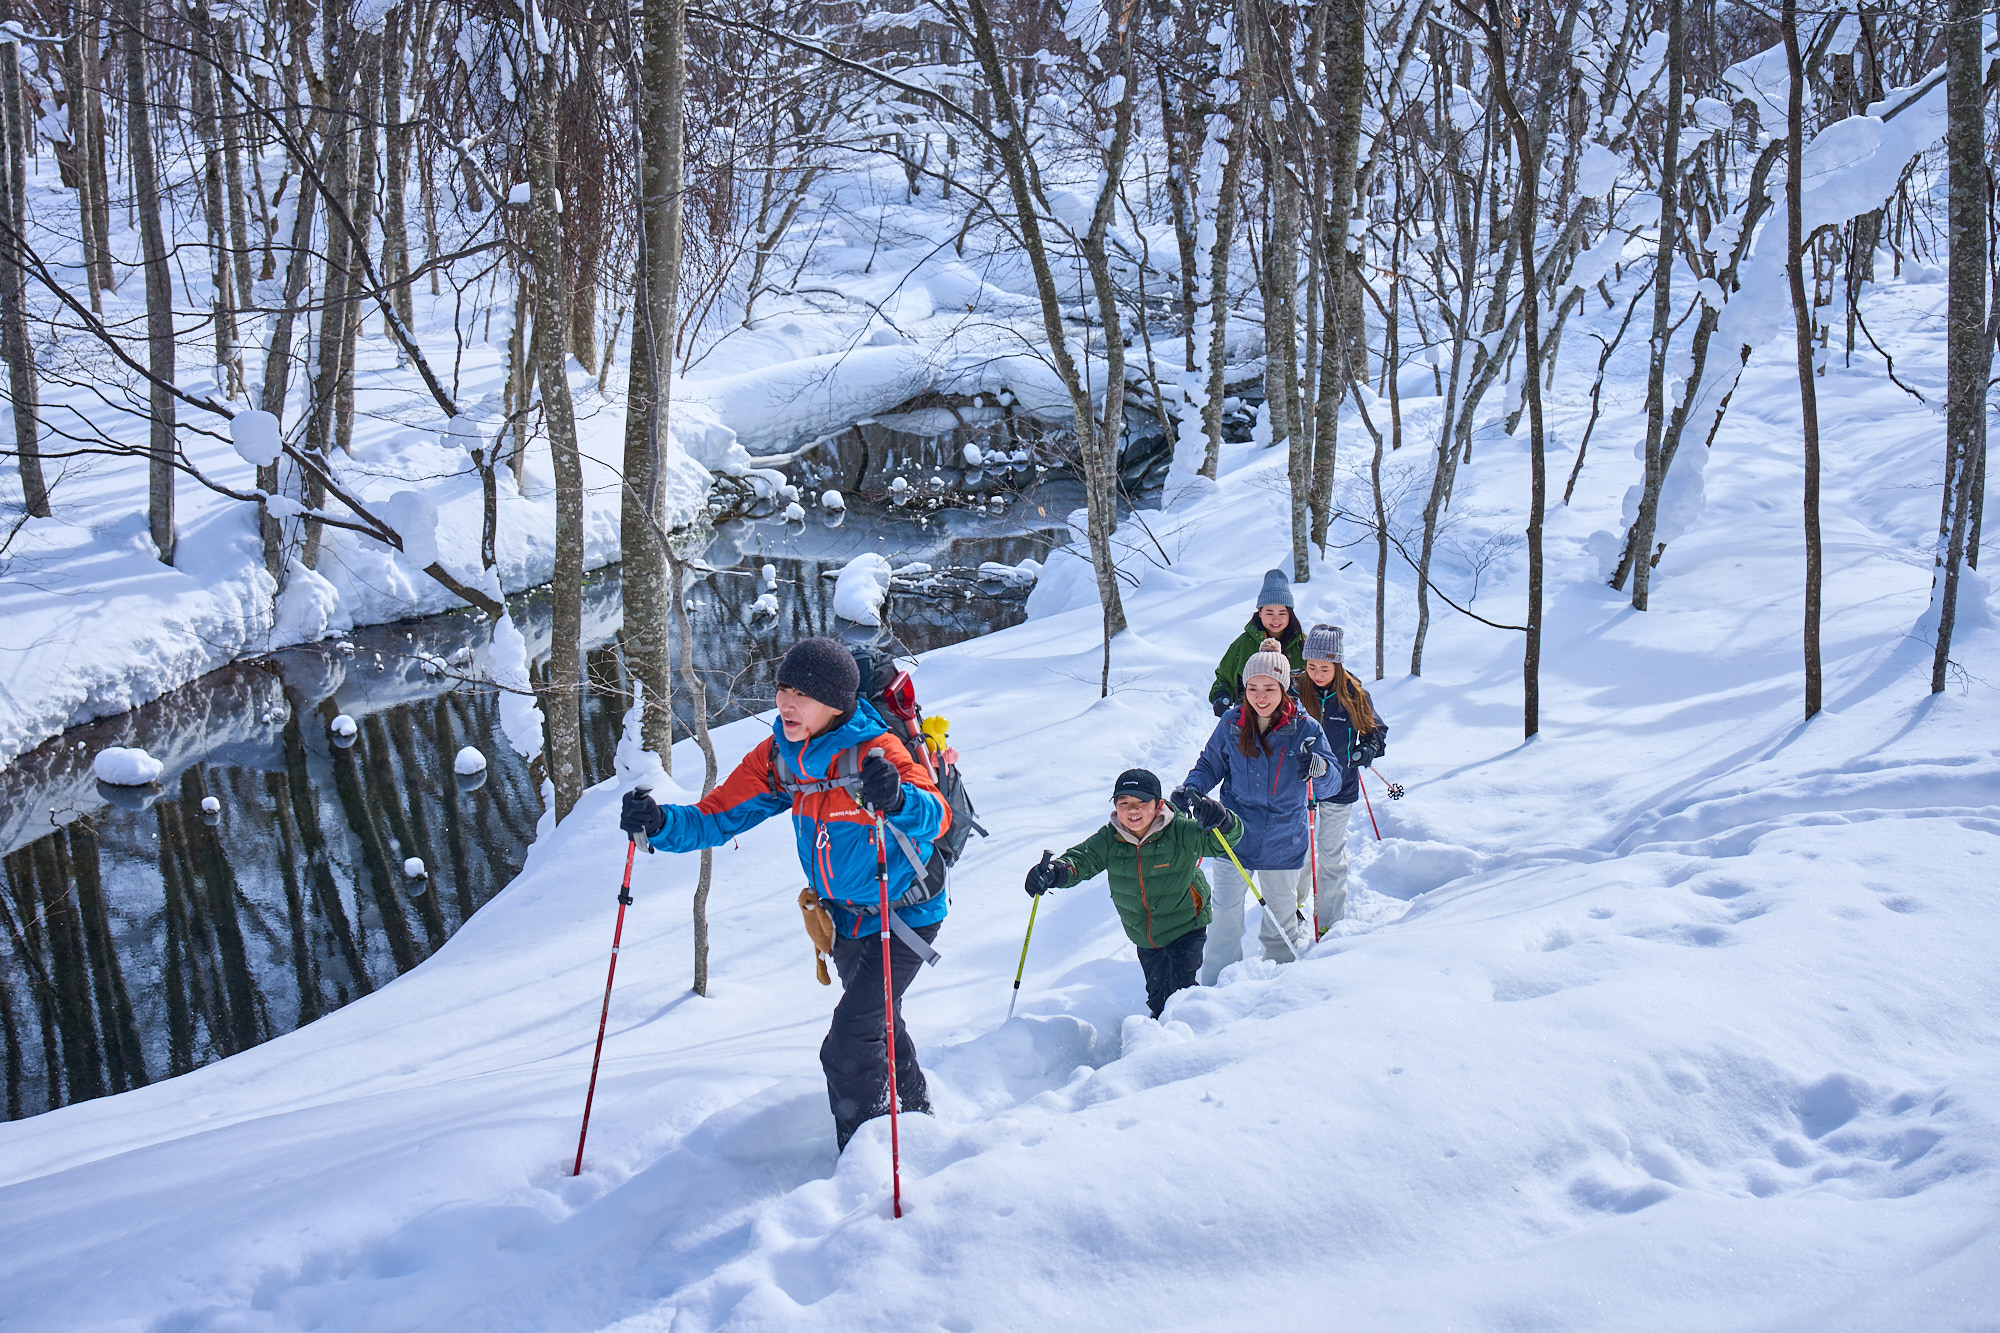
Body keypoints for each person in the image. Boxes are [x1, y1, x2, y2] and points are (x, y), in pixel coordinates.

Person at [619, 637, 951, 1151]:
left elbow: (936, 817)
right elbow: (716, 817)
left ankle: (869, 1157)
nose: (786, 704)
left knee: (849, 1043)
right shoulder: (779, 757)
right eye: (783, 689)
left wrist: (897, 797)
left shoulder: (875, 751)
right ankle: (917, 1125)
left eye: (804, 695)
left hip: (906, 913)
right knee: (880, 1027)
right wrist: (660, 823)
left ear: (836, 703)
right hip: (844, 922)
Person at [1023, 769, 1242, 1018]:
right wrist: (1055, 872)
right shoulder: (1110, 838)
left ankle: (1192, 1028)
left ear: (1158, 805)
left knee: (1180, 992)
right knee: (1157, 996)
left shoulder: (1179, 830)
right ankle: (1159, 1030)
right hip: (1144, 935)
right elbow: (1082, 859)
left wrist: (1223, 821)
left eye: (1141, 802)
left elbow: (1223, 840)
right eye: (1124, 803)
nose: (1133, 810)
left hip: (1186, 925)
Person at [1178, 637, 1329, 983]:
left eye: (1269, 688)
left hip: (1282, 840)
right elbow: (1210, 764)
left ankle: (1282, 986)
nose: (1260, 697)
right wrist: (1192, 788)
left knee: (1280, 921)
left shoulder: (1305, 728)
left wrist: (1320, 767)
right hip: (1233, 835)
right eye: (1252, 688)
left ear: (1284, 688)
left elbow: (1330, 781)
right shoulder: (1232, 722)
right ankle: (1215, 987)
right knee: (1224, 917)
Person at [1293, 624, 1389, 935]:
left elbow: (1376, 732)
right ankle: (1292, 906)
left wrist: (1367, 750)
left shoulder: (1353, 694)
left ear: (1338, 664)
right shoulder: (1294, 690)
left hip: (1341, 784)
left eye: (1325, 668)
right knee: (1300, 849)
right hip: (1300, 785)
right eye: (1312, 667)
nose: (1317, 674)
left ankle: (1330, 922)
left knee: (1330, 852)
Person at [1207, 568, 1307, 717]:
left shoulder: (1303, 644)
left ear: (1290, 614)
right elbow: (1224, 678)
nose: (1276, 619)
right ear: (1260, 613)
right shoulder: (1243, 645)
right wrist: (1221, 696)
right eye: (1269, 612)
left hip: (1295, 720)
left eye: (1282, 613)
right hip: (1250, 720)